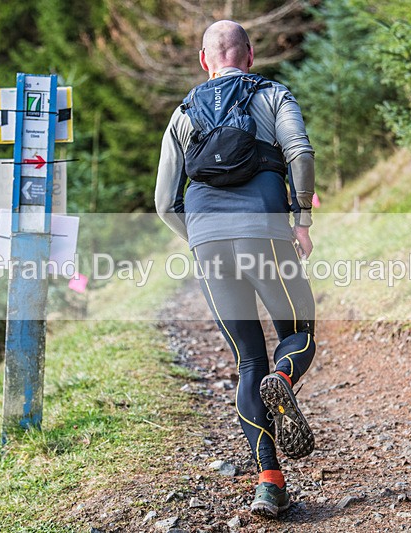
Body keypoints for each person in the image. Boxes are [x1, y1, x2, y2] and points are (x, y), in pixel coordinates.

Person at [154, 20, 317, 518]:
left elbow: (163, 203)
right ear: (250, 54)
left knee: (248, 361)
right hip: (264, 232)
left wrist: (202, 240)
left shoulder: (183, 113)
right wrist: (302, 219)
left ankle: (268, 483)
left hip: (207, 241)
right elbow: (299, 151)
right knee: (298, 330)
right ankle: (285, 382)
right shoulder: (271, 95)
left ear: (205, 60)